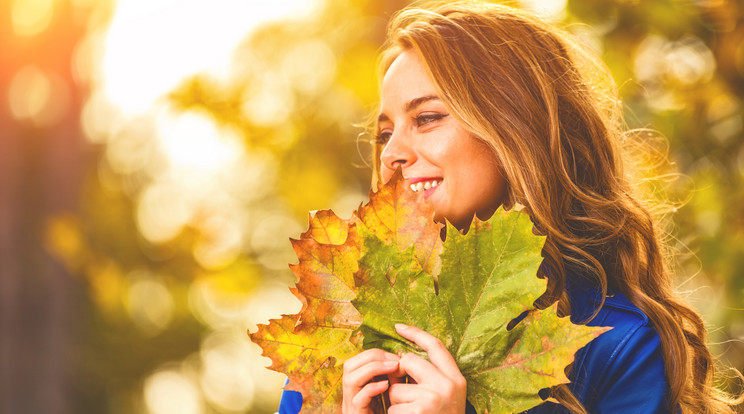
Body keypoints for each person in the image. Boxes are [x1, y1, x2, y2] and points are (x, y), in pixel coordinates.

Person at [278, 2, 742, 413]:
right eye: (384, 132)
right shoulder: (339, 330)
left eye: (427, 118)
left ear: (516, 130)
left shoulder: (616, 346)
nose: (391, 153)